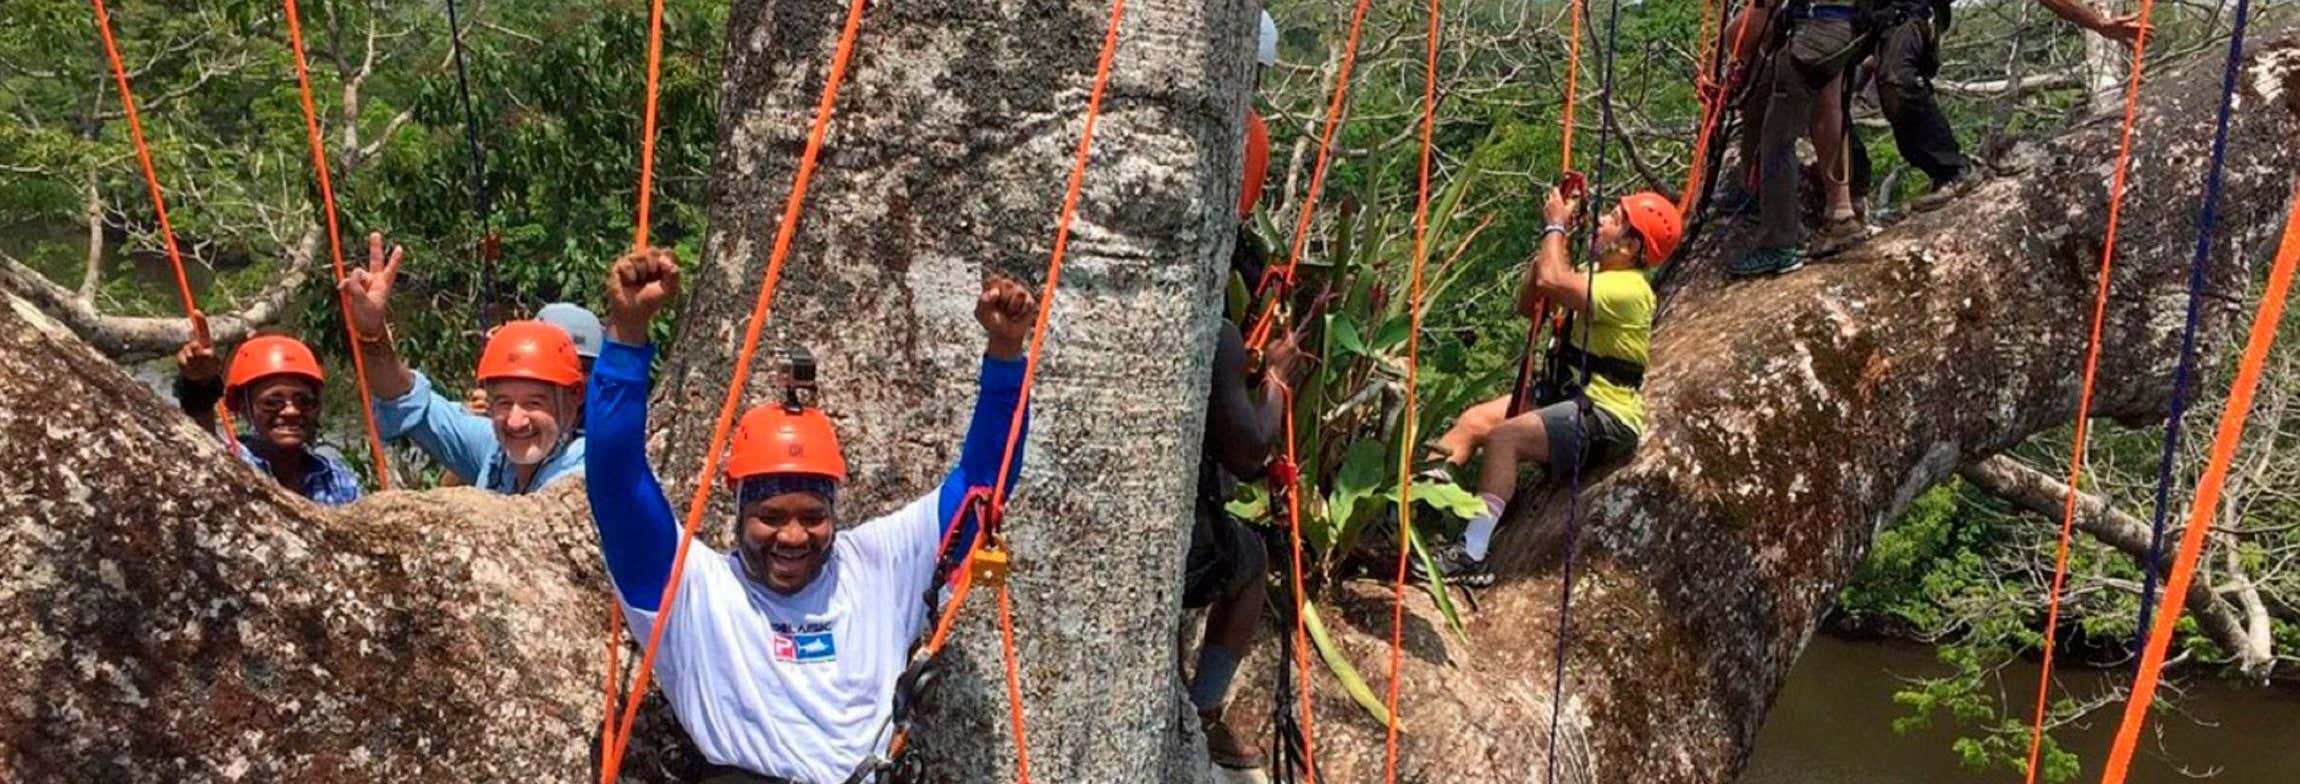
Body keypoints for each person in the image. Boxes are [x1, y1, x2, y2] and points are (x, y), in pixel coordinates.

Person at [586, 247, 1038, 783]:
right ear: (737, 511)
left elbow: (982, 487)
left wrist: (1006, 355)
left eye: (813, 516)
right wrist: (626, 336)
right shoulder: (692, 591)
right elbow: (617, 482)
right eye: (771, 517)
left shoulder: (878, 568)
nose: (794, 536)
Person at [1419, 188, 1679, 585]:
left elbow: (1553, 278)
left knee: (1505, 438)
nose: (1602, 220)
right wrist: (1557, 241)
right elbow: (1532, 302)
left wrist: (1556, 225)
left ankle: (1471, 552)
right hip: (1567, 396)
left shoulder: (1629, 290)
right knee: (1473, 423)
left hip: (1604, 414)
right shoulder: (1596, 277)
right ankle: (1416, 507)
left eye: (1614, 217)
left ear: (1629, 246)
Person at [341, 232, 586, 494]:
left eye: (534, 403)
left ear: (572, 401)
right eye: (503, 402)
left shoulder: (589, 471)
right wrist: (370, 333)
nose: (515, 421)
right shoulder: (494, 451)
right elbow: (402, 396)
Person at [1185, 230, 1300, 771]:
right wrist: (1275, 380)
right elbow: (1251, 454)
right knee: (1250, 559)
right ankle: (1204, 710)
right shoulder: (1218, 332)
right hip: (1183, 550)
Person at [1869, 0, 2141, 209]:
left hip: (1908, 16)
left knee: (1899, 84)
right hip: (1860, 21)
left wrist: (2099, 24)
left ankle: (1954, 171)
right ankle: (1846, 206)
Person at [173, 331, 363, 506]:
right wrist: (198, 384)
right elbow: (199, 445)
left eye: (304, 401)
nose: (291, 411)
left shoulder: (337, 478)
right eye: (273, 402)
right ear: (244, 408)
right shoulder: (230, 463)